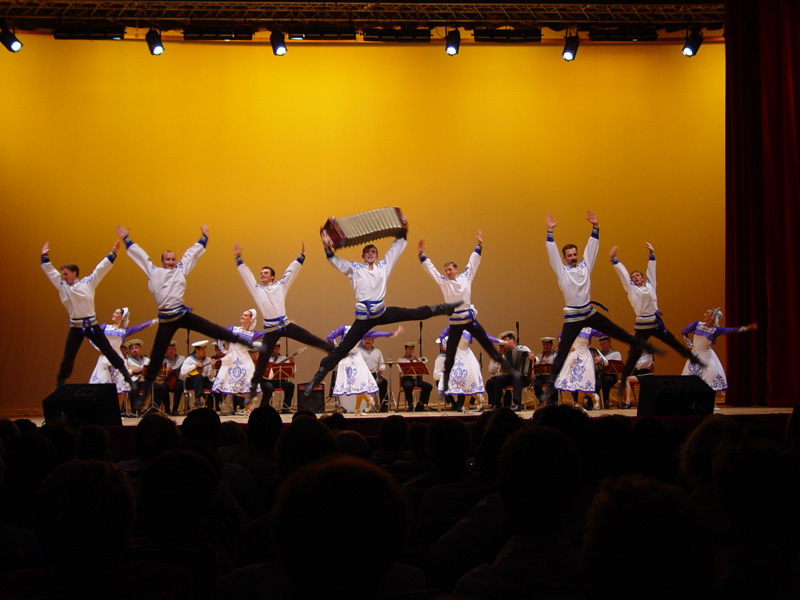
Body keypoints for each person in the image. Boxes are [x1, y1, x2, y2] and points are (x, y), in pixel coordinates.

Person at [303, 216, 459, 396]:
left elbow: (395, 249)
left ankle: (443, 309)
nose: (370, 253)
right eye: (367, 252)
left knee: (411, 313)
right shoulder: (355, 269)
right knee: (343, 348)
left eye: (373, 252)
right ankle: (317, 378)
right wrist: (326, 246)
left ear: (377, 256)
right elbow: (336, 261)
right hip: (363, 318)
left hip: (381, 312)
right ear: (362, 256)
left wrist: (403, 229)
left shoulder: (383, 266)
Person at [116, 224, 252, 404]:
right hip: (166, 320)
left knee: (211, 328)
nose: (171, 262)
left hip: (181, 314)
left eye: (173, 259)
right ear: (162, 261)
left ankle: (245, 342)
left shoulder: (180, 269)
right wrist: (126, 239)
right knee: (156, 356)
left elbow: (190, 255)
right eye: (168, 259)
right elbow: (141, 256)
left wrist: (203, 238)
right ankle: (144, 395)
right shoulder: (154, 272)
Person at [540, 211, 660, 406]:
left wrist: (595, 228)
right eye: (569, 255)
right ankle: (552, 390)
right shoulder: (562, 271)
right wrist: (550, 232)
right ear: (564, 257)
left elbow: (591, 250)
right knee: (563, 352)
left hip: (588, 311)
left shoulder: (585, 267)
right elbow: (552, 255)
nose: (573, 257)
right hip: (572, 316)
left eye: (575, 254)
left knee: (612, 329)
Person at [418, 231, 519, 399]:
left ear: (456, 269)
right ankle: (447, 387)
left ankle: (509, 369)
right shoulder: (444, 282)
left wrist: (479, 245)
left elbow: (473, 264)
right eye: (446, 270)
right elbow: (432, 271)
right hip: (455, 321)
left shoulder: (465, 278)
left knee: (485, 342)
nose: (448, 272)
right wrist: (422, 255)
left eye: (450, 269)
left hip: (467, 318)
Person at [233, 242, 334, 402]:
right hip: (270, 329)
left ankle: (333, 350)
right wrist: (239, 258)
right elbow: (247, 277)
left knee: (308, 337)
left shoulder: (280, 286)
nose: (262, 275)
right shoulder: (257, 290)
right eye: (261, 273)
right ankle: (252, 390)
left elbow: (290, 273)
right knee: (262, 361)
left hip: (284, 324)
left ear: (272, 276)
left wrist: (301, 257)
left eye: (266, 273)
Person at [41, 240, 137, 391]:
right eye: (62, 274)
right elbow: (50, 272)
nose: (63, 277)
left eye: (66, 274)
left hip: (91, 325)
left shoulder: (88, 283)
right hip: (76, 327)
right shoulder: (62, 286)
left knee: (108, 351)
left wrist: (113, 253)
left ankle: (126, 376)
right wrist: (44, 257)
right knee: (68, 356)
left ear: (74, 273)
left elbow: (100, 269)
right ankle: (60, 382)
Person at [610, 242, 703, 396]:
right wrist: (615, 260)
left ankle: (692, 357)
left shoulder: (650, 285)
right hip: (642, 324)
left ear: (642, 277)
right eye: (633, 277)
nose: (635, 278)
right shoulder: (632, 289)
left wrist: (652, 254)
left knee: (671, 340)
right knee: (634, 354)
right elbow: (624, 276)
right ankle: (623, 383)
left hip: (654, 321)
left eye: (638, 275)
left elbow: (652, 271)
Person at [88, 307, 156, 405]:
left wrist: (153, 321)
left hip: (117, 359)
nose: (113, 314)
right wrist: (98, 347)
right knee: (102, 384)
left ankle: (115, 409)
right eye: (114, 312)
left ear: (122, 317)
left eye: (116, 313)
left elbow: (138, 327)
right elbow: (92, 335)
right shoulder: (105, 327)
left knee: (117, 388)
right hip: (104, 359)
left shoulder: (124, 331)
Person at [327, 325, 400, 414]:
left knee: (359, 383)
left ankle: (358, 408)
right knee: (356, 383)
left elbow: (329, 337)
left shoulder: (355, 330)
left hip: (354, 357)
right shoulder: (349, 329)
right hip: (350, 357)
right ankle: (367, 400)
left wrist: (337, 348)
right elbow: (375, 334)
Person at [681, 308, 757, 392]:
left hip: (707, 356)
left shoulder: (716, 331)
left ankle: (709, 398)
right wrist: (690, 344)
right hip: (695, 354)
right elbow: (684, 332)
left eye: (707, 313)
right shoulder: (697, 324)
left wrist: (747, 327)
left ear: (712, 317)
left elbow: (730, 330)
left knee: (711, 375)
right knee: (687, 378)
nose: (704, 314)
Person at [212, 308, 265, 415]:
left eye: (245, 315)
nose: (242, 316)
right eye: (242, 314)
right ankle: (222, 408)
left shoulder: (252, 334)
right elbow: (218, 336)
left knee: (248, 386)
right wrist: (224, 351)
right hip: (232, 360)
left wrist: (282, 327)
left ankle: (247, 410)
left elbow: (268, 333)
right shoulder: (233, 329)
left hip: (245, 361)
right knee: (227, 384)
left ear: (251, 319)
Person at [436, 326, 492, 412]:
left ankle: (467, 404)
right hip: (458, 361)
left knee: (467, 382)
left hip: (466, 360)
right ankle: (474, 400)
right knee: (461, 382)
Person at [553, 327, 606, 410]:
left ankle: (579, 403)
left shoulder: (589, 330)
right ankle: (592, 397)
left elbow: (601, 333)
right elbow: (561, 338)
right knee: (570, 380)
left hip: (584, 356)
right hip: (573, 356)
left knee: (582, 380)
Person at [485, 332, 533, 411]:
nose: (504, 342)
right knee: (496, 379)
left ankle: (517, 404)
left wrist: (533, 358)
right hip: (510, 377)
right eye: (503, 341)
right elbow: (493, 370)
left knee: (517, 377)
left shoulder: (524, 349)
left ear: (512, 340)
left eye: (506, 340)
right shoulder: (504, 354)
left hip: (524, 377)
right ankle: (496, 404)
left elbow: (535, 360)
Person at [262, 343, 297, 415]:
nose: (274, 350)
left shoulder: (283, 358)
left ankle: (286, 407)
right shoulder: (265, 358)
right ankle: (264, 407)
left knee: (290, 385)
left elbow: (293, 371)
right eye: (272, 348)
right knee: (269, 387)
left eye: (276, 348)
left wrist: (292, 362)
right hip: (267, 380)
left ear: (279, 349)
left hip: (279, 380)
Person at [398, 342, 433, 411]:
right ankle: (410, 405)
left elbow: (422, 370)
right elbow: (401, 370)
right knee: (408, 386)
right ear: (405, 350)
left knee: (428, 386)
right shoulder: (401, 360)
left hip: (417, 379)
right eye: (410, 349)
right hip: (407, 379)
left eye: (413, 349)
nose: (411, 351)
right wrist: (411, 360)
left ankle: (421, 405)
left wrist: (418, 361)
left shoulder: (416, 360)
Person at [180, 340, 215, 409]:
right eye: (203, 350)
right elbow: (183, 372)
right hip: (191, 382)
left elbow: (211, 376)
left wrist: (212, 368)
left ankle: (215, 406)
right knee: (198, 377)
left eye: (205, 349)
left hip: (203, 381)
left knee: (215, 386)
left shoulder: (207, 360)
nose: (205, 351)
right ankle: (197, 399)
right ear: (197, 350)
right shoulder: (189, 359)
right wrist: (194, 366)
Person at [360, 334, 390, 410]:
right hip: (362, 376)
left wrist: (381, 368)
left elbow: (382, 364)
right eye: (365, 339)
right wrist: (365, 368)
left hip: (374, 375)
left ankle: (384, 405)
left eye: (369, 340)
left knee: (384, 382)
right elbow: (356, 364)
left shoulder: (377, 352)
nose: (367, 341)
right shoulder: (359, 351)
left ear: (373, 341)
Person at [155, 341, 185, 415]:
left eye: (172, 349)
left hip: (178, 381)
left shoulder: (181, 359)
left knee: (179, 385)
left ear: (175, 350)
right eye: (168, 349)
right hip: (167, 381)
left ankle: (175, 409)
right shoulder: (162, 361)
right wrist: (166, 373)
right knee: (162, 387)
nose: (170, 351)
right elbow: (159, 377)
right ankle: (167, 409)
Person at [597, 335, 622, 409]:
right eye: (601, 344)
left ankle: (605, 401)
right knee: (594, 381)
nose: (602, 346)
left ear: (609, 343)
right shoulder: (599, 354)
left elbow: (617, 366)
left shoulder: (616, 354)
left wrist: (603, 362)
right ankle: (591, 402)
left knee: (606, 380)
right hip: (601, 375)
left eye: (604, 344)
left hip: (611, 376)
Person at [532, 337, 557, 401]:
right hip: (542, 376)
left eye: (547, 345)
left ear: (551, 345)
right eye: (544, 345)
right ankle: (542, 400)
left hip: (552, 376)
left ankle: (553, 401)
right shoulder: (539, 356)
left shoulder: (556, 356)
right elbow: (535, 368)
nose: (545, 347)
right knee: (536, 385)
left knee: (555, 384)